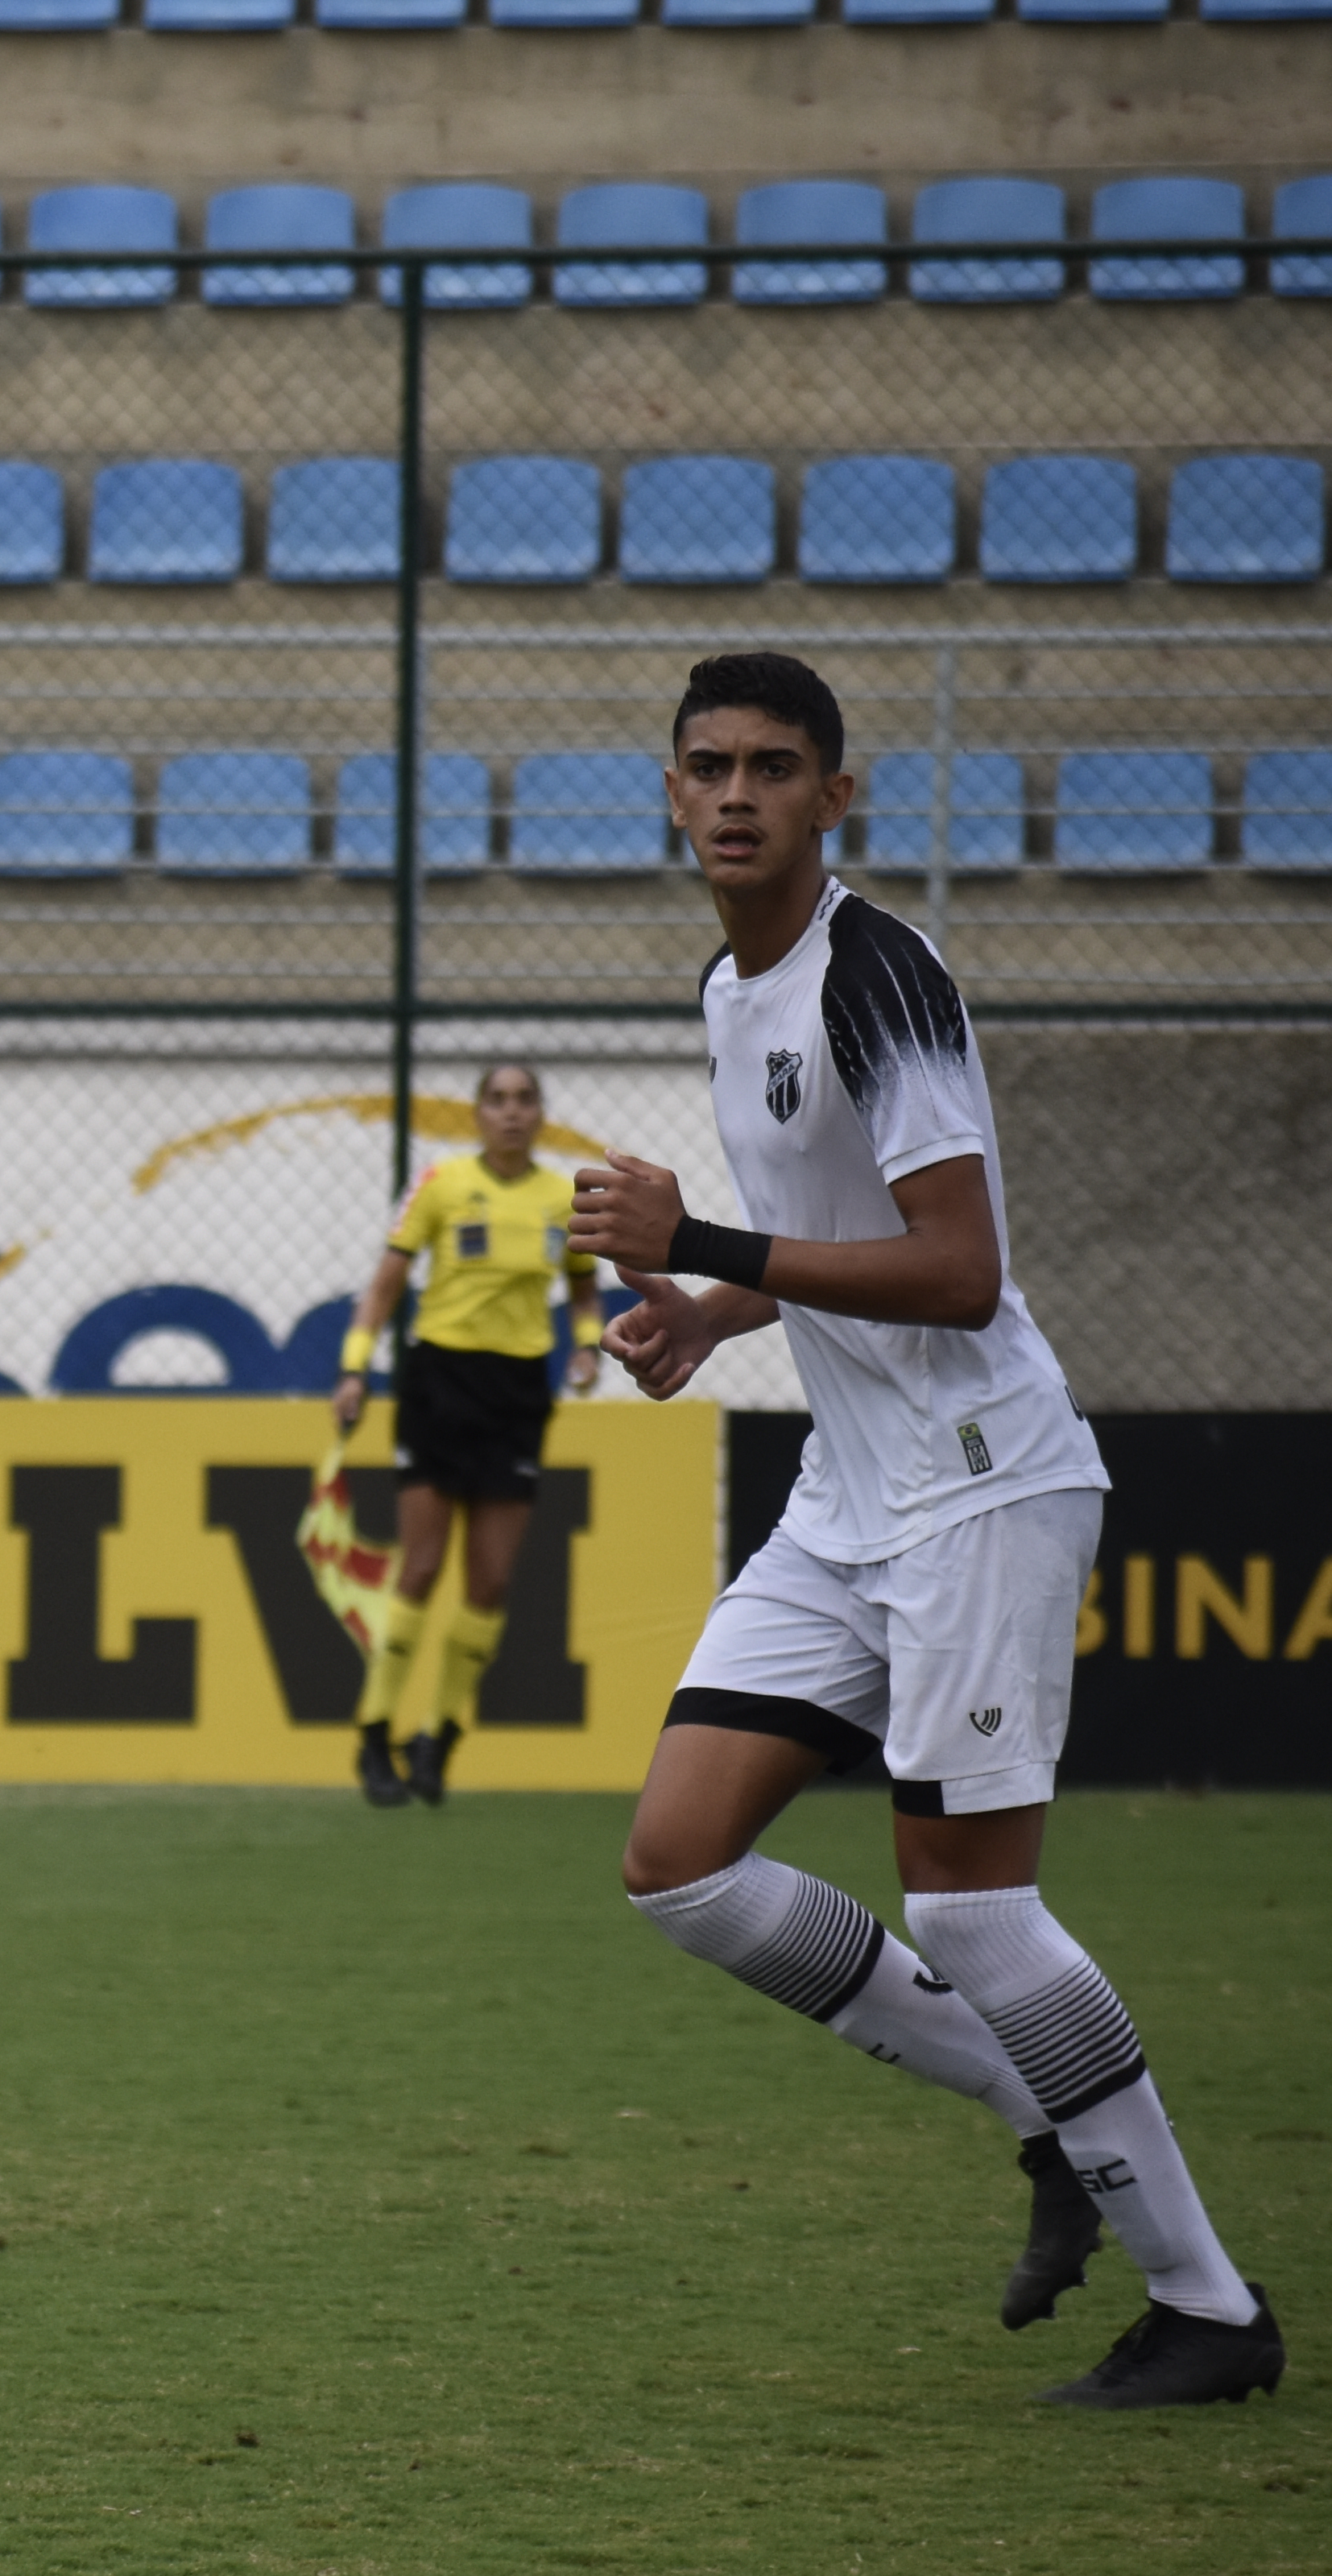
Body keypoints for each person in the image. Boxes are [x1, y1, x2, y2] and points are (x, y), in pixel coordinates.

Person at [577, 651, 1281, 2413]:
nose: (736, 791)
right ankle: (1043, 2108)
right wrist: (708, 1312)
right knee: (680, 1860)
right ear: (670, 793)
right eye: (708, 764)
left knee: (975, 1915)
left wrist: (714, 1247)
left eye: (774, 765)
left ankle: (1208, 2303)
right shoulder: (735, 986)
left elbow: (961, 1271)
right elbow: (839, 1226)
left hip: (981, 1482)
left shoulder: (878, 974)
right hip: (854, 1491)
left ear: (836, 795)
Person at [329, 1061, 605, 1806]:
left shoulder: (563, 1199)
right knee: (420, 1566)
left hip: (515, 1392)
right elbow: (386, 1283)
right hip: (439, 1383)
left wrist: (586, 1343)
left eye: (525, 1100)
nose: (512, 1113)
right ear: (478, 1113)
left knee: (489, 1580)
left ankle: (439, 1736)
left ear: (541, 1114)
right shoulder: (440, 1183)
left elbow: (583, 1285)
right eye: (498, 1100)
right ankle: (375, 1730)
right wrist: (354, 1369)